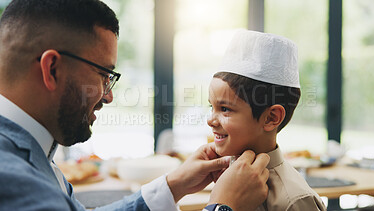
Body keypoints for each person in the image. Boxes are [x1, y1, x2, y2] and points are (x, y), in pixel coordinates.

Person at [0, 1, 271, 211]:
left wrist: (173, 185)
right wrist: (223, 206)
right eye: (104, 75)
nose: (108, 96)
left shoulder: (30, 150)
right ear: (53, 69)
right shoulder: (12, 178)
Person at [207, 30, 327, 211]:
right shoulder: (225, 180)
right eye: (211, 107)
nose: (210, 120)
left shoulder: (293, 201)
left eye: (225, 109)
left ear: (272, 118)